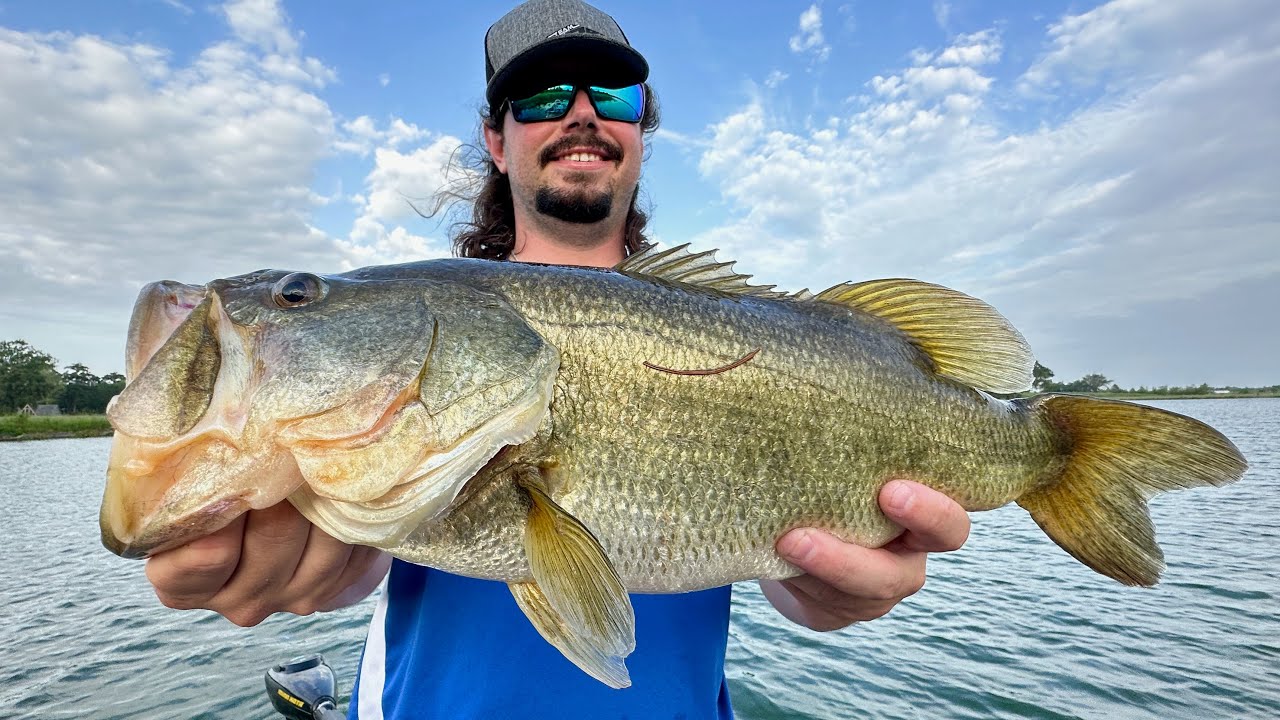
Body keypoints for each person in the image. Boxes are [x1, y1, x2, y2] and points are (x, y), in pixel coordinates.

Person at [143, 1, 972, 717]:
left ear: (639, 131)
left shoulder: (730, 331)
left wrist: (826, 589)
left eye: (611, 94)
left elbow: (777, 557)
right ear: (496, 142)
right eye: (540, 95)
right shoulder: (427, 353)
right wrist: (303, 564)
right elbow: (366, 563)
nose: (581, 112)